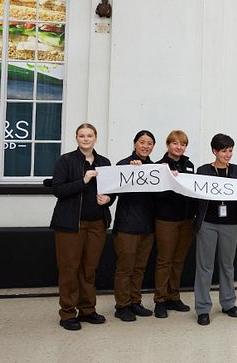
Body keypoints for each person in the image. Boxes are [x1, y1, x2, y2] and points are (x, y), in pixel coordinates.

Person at [50, 123, 114, 331]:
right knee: (69, 268)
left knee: (89, 269)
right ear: (76, 138)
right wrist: (83, 180)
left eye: (89, 135)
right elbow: (58, 189)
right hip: (70, 225)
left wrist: (109, 199)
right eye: (81, 136)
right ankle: (68, 313)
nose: (85, 139)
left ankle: (87, 309)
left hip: (97, 223)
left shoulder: (104, 162)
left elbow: (111, 189)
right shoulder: (66, 161)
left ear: (96, 138)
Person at [193, 134, 237, 326]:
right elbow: (193, 191)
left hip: (230, 224)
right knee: (205, 267)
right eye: (223, 150)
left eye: (230, 150)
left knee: (227, 265)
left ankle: (228, 303)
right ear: (214, 151)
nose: (228, 154)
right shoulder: (203, 170)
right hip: (207, 223)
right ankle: (203, 308)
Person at [112, 130, 157, 322]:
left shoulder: (155, 169)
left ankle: (135, 301)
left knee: (140, 268)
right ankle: (122, 306)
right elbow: (114, 189)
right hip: (127, 226)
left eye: (149, 143)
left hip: (148, 226)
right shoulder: (124, 165)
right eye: (142, 142)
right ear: (135, 143)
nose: (145, 146)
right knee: (125, 268)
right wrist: (133, 170)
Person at [153, 130, 196, 318]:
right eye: (175, 143)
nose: (179, 147)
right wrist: (170, 180)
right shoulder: (158, 167)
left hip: (186, 220)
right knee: (165, 261)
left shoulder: (189, 165)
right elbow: (156, 195)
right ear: (168, 145)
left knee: (178, 261)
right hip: (166, 220)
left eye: (183, 144)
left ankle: (174, 296)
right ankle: (160, 300)